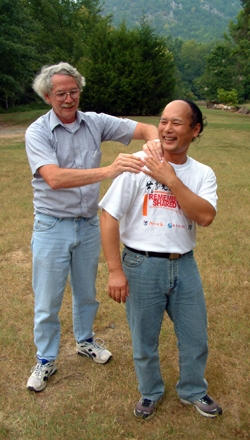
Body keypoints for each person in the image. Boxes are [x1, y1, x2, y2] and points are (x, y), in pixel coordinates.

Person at [25, 62, 161, 392]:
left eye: (74, 91)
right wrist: (109, 170)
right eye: (61, 93)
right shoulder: (38, 132)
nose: (69, 99)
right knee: (47, 300)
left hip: (88, 226)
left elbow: (146, 129)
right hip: (51, 226)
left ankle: (85, 340)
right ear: (47, 96)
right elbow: (54, 178)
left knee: (87, 293)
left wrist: (156, 144)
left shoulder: (95, 122)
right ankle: (46, 359)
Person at [99, 100, 223, 419]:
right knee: (144, 339)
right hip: (141, 265)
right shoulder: (138, 163)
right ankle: (150, 392)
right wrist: (115, 270)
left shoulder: (202, 174)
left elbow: (205, 216)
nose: (167, 129)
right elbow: (109, 215)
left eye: (177, 123)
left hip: (183, 264)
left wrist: (171, 179)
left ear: (195, 130)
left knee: (195, 336)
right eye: (163, 121)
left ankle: (193, 390)